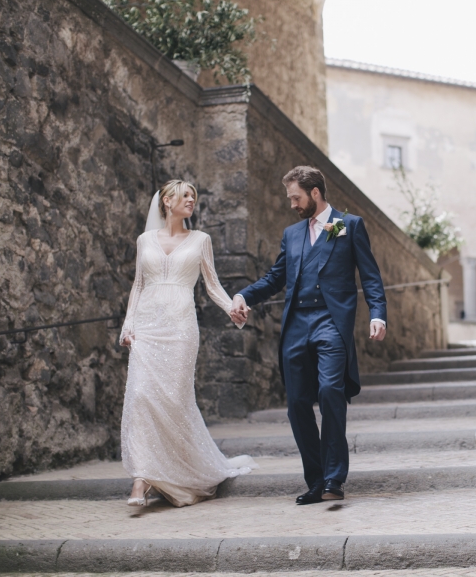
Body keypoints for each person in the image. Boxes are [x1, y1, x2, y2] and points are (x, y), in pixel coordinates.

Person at [231, 166, 386, 505]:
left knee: (331, 390)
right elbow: (275, 278)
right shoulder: (292, 234)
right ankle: (316, 481)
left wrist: (378, 314)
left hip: (331, 322)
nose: (292, 204)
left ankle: (334, 478)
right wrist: (244, 296)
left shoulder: (348, 225)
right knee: (297, 404)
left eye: (295, 198)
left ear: (315, 193)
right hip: (297, 325)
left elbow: (370, 277)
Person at [119, 179, 256, 507]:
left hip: (181, 329)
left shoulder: (201, 240)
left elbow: (212, 284)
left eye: (193, 196)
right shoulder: (144, 240)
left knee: (175, 401)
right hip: (147, 328)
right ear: (166, 201)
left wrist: (231, 308)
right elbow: (138, 285)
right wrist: (128, 324)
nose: (190, 200)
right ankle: (142, 478)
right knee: (139, 397)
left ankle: (182, 471)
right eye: (184, 196)